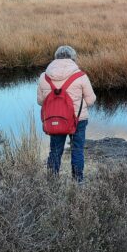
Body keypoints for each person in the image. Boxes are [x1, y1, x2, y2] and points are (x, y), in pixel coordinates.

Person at [37, 45, 96, 182]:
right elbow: (91, 100)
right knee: (77, 150)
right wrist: (77, 107)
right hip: (78, 120)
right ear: (73, 58)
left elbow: (40, 101)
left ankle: (52, 182)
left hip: (54, 119)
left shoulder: (43, 77)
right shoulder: (81, 76)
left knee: (55, 151)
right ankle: (78, 182)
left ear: (55, 58)